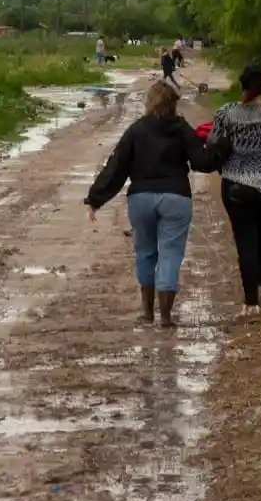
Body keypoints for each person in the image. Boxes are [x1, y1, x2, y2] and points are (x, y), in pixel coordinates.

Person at [84, 80, 204, 327]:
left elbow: (116, 167)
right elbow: (203, 161)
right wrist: (220, 146)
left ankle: (148, 313)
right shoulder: (182, 129)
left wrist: (96, 198)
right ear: (173, 104)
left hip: (141, 198)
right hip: (176, 197)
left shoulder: (136, 130)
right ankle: (167, 317)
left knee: (145, 253)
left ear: (149, 102)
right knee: (170, 254)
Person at [206, 64, 261, 317]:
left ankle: (249, 303)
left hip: (237, 184)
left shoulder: (226, 113)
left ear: (242, 86)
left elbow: (214, 145)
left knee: (245, 241)